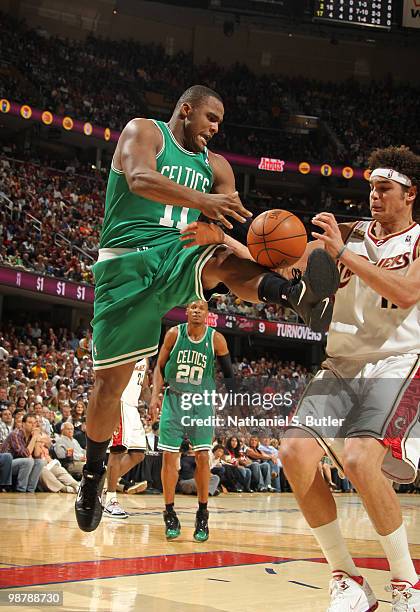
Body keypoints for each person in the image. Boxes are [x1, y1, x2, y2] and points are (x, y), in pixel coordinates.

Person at [75, 84, 339, 532]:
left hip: (182, 253)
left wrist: (279, 268)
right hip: (127, 263)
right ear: (186, 109)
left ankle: (292, 298)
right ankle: (94, 470)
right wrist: (202, 204)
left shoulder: (216, 168)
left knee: (220, 260)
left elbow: (237, 240)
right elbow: (139, 178)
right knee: (109, 388)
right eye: (210, 119)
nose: (215, 129)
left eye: (220, 122)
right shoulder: (145, 132)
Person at [279, 145, 420, 611]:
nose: (375, 196)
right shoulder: (345, 235)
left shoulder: (418, 241)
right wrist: (232, 243)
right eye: (372, 188)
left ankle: (406, 583)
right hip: (341, 363)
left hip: (398, 361)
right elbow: (284, 264)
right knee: (293, 452)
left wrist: (344, 253)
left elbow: (403, 291)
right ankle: (348, 579)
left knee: (361, 459)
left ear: (410, 194)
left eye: (385, 189)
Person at [150, 299, 232, 542]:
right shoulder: (174, 334)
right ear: (186, 312)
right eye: (193, 308)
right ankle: (169, 512)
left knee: (203, 456)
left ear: (208, 314)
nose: (196, 311)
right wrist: (155, 394)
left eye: (201, 308)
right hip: (174, 400)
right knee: (168, 457)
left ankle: (203, 513)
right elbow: (159, 366)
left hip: (202, 403)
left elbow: (229, 374)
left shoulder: (215, 339)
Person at [103, 358, 149, 519]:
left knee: (138, 454)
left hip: (133, 407)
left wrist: (151, 403)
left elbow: (143, 382)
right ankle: (110, 500)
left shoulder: (146, 354)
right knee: (118, 452)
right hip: (119, 404)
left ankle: (101, 485)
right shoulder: (126, 346)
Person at [0, 414, 44, 493]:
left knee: (40, 462)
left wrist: (37, 438)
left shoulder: (32, 435)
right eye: (30, 423)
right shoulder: (16, 434)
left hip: (19, 463)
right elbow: (25, 454)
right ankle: (21, 490)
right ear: (23, 424)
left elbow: (37, 456)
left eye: (34, 423)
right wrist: (34, 438)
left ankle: (30, 490)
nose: (33, 425)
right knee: (28, 461)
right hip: (6, 465)